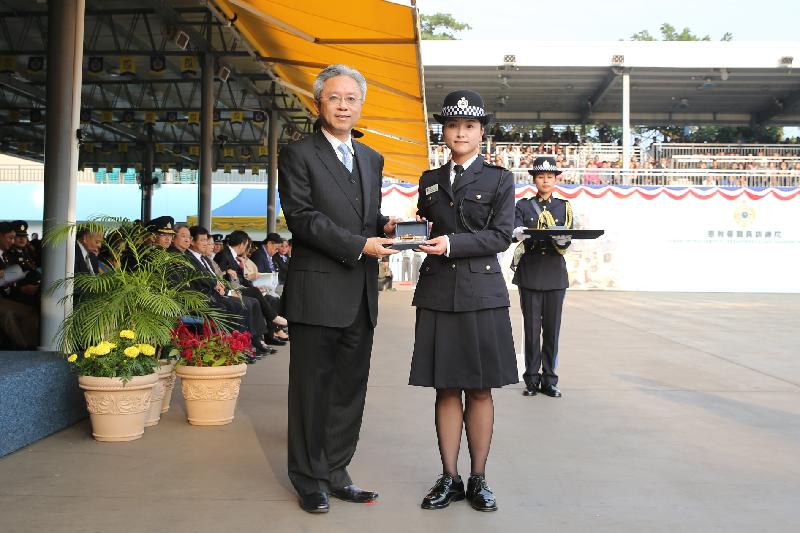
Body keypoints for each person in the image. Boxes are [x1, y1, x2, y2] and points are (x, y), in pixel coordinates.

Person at [278, 64, 398, 514]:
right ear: (318, 103)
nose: (344, 105)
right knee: (311, 389)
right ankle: (309, 478)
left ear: (360, 104)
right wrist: (360, 243)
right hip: (317, 292)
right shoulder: (297, 153)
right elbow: (303, 218)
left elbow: (364, 214)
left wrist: (385, 226)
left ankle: (337, 470)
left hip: (361, 294)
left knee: (350, 389)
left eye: (351, 98)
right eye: (335, 97)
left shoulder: (371, 158)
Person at [410, 89, 517, 512]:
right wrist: (412, 235)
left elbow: (501, 236)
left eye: (469, 125)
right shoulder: (429, 180)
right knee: (445, 387)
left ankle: (479, 478)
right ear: (444, 131)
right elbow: (425, 225)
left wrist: (450, 244)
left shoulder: (499, 179)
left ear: (480, 132)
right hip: (437, 291)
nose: (460, 132)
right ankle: (449, 477)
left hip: (481, 292)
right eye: (453, 125)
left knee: (480, 388)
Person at [512, 156, 573, 398]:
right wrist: (518, 233)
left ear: (556, 179)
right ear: (534, 180)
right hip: (530, 272)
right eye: (540, 177)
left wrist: (563, 239)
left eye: (550, 177)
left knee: (552, 329)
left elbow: (567, 238)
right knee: (531, 329)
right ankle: (531, 380)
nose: (545, 181)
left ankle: (550, 380)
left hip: (555, 274)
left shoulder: (564, 206)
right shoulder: (523, 206)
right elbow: (514, 230)